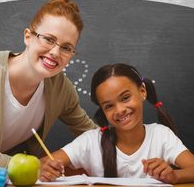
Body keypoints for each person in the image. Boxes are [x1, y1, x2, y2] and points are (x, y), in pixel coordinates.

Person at [0, 0, 96, 186]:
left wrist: (141, 151)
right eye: (49, 39)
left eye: (66, 48)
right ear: (28, 36)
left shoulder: (61, 88)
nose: (55, 53)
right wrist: (37, 166)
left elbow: (91, 135)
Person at [40, 63, 194, 184]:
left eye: (125, 98)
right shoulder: (91, 141)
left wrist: (173, 175)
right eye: (109, 106)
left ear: (142, 91)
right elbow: (44, 163)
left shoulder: (161, 135)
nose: (119, 110)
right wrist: (44, 168)